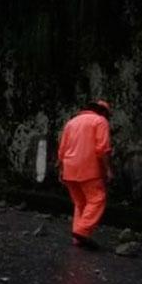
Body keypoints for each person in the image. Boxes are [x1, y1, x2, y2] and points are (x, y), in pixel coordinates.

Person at [58, 98, 113, 249]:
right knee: (97, 199)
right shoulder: (100, 121)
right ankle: (81, 231)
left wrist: (61, 169)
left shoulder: (72, 122)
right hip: (89, 168)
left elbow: (62, 149)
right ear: (103, 112)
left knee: (80, 202)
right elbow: (103, 148)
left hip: (69, 167)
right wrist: (108, 169)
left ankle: (78, 237)